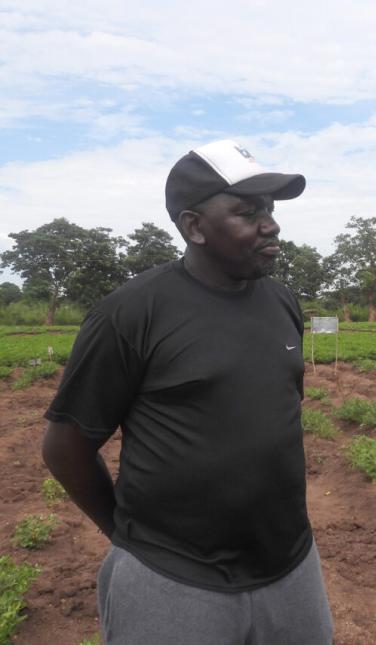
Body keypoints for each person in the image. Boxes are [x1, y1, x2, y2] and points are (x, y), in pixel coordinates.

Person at [42, 140, 333, 644]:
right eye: (247, 212)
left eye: (269, 209)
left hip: (290, 566)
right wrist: (130, 540)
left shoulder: (282, 301)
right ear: (194, 226)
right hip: (173, 579)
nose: (271, 224)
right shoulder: (131, 313)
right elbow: (65, 448)